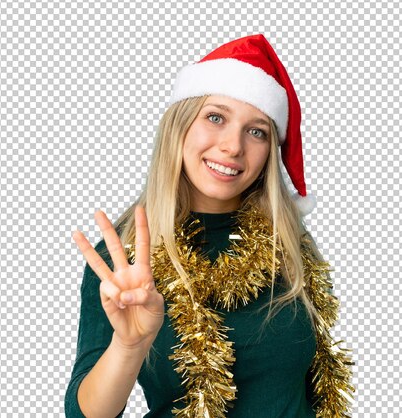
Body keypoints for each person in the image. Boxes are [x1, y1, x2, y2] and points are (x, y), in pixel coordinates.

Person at [65, 34, 354, 418]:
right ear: (180, 127)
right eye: (215, 117)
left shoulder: (287, 243)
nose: (233, 146)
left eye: (257, 131)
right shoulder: (127, 254)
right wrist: (129, 346)